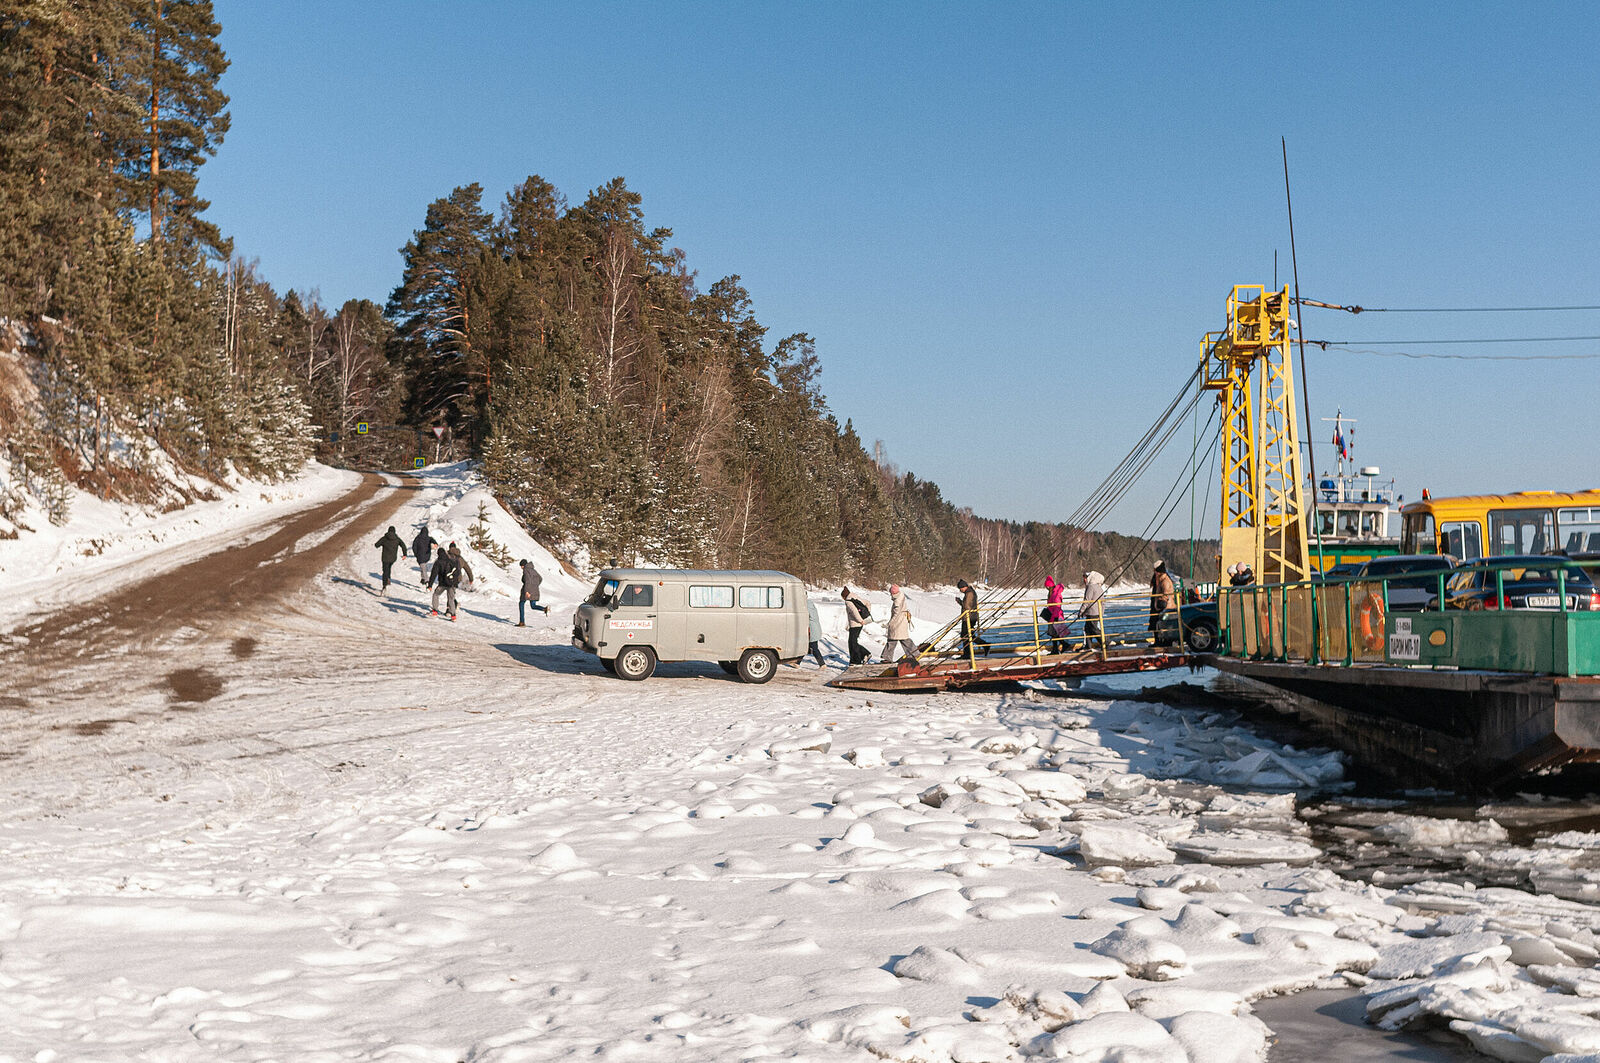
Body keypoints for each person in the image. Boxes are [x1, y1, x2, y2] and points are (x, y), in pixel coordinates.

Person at [883, 584, 917, 663]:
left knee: (893, 640)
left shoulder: (897, 601)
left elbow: (896, 614)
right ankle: (914, 653)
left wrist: (889, 623)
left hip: (898, 623)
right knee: (903, 639)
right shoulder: (900, 597)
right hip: (901, 622)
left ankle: (887, 658)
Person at [429, 546, 461, 620]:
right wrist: (455, 582)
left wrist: (430, 585)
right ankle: (453, 615)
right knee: (451, 599)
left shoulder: (438, 562)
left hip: (442, 584)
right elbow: (458, 571)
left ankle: (434, 610)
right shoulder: (451, 560)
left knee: (436, 594)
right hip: (451, 583)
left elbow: (433, 574)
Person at [956, 579, 986, 657]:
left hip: (969, 617)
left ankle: (967, 654)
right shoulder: (970, 592)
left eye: (960, 588)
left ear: (964, 587)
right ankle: (985, 645)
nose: (960, 590)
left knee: (965, 636)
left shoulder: (969, 593)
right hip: (970, 617)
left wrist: (960, 601)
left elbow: (967, 606)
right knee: (969, 636)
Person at [373, 526, 407, 596]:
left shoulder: (384, 538)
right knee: (389, 568)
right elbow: (403, 545)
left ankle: (384, 586)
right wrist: (405, 554)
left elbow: (376, 545)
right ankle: (388, 578)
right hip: (393, 558)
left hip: (385, 558)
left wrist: (380, 544)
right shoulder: (397, 539)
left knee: (385, 571)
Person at [1149, 560, 1177, 645]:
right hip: (1157, 606)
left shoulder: (1165, 580)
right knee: (1155, 623)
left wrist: (1161, 602)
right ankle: (1158, 641)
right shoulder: (1158, 579)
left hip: (1164, 606)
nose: (1155, 572)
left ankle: (1164, 642)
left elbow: (1167, 593)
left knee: (1163, 624)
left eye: (1156, 570)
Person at [841, 587, 871, 665]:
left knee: (852, 643)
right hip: (859, 624)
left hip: (855, 624)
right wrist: (866, 615)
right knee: (853, 642)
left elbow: (854, 612)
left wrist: (860, 620)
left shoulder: (848, 602)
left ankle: (858, 660)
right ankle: (860, 657)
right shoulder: (855, 598)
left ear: (844, 596)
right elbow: (868, 602)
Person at [517, 559, 550, 626]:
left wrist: (527, 591)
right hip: (534, 590)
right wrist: (535, 586)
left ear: (523, 565)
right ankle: (544, 609)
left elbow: (527, 581)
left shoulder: (526, 570)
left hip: (527, 590)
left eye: (521, 566)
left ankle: (522, 622)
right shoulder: (533, 570)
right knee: (533, 606)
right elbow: (540, 578)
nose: (521, 567)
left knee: (521, 603)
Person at [1043, 575, 1069, 655]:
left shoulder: (1055, 594)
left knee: (1054, 633)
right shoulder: (1053, 593)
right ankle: (1058, 648)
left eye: (1047, 587)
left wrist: (1055, 617)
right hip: (1053, 616)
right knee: (1054, 633)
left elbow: (1057, 606)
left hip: (1055, 616)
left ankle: (1063, 645)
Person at [1078, 571, 1106, 641]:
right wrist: (1101, 613)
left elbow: (1087, 601)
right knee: (1087, 630)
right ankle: (1088, 646)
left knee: (1094, 629)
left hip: (1092, 613)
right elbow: (1103, 602)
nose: (1084, 580)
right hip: (1096, 612)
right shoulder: (1099, 587)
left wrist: (1081, 612)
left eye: (1085, 578)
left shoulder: (1090, 587)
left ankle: (1106, 641)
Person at [806, 596, 825, 666]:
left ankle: (822, 664)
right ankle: (797, 663)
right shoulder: (811, 605)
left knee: (814, 648)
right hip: (815, 629)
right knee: (807, 647)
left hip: (812, 630)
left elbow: (807, 617)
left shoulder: (806, 606)